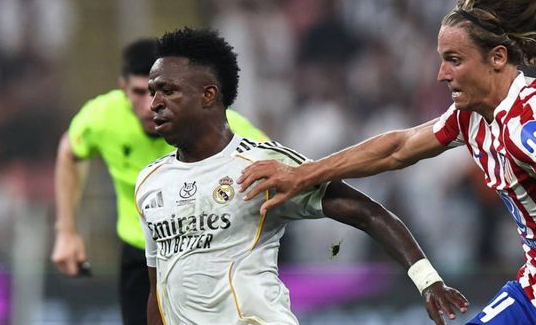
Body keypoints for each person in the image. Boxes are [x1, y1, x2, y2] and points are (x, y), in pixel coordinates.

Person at [239, 0, 536, 325]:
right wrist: (301, 173)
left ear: (497, 57)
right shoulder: (472, 115)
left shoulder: (528, 123)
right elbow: (397, 148)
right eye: (442, 59)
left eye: (455, 59)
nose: (442, 74)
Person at [136, 27, 468, 325]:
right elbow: (159, 289)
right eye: (152, 92)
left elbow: (368, 213)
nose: (155, 103)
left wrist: (427, 280)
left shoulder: (263, 164)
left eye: (168, 91)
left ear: (208, 95)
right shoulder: (150, 183)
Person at [50, 38, 268, 325]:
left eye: (160, 91)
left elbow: (270, 159)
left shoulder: (207, 121)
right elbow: (69, 150)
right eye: (140, 92)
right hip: (140, 256)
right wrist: (66, 231)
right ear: (122, 88)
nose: (150, 105)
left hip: (201, 254)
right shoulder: (103, 117)